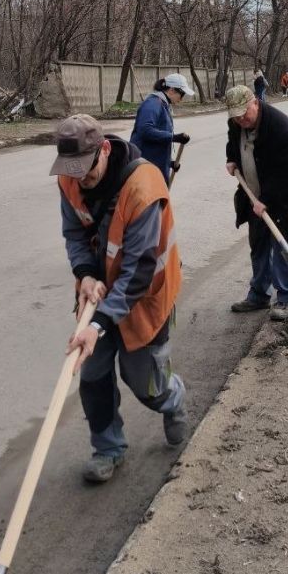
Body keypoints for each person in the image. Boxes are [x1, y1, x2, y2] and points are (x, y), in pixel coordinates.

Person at [53, 114, 187, 483]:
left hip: (143, 296)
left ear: (105, 149)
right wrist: (86, 275)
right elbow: (74, 234)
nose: (81, 179)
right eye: (73, 171)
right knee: (92, 376)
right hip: (99, 294)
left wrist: (97, 324)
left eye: (87, 169)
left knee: (146, 384)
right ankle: (108, 448)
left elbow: (140, 269)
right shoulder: (70, 178)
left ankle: (173, 400)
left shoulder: (144, 187)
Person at [224, 85, 288, 321]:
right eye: (236, 116)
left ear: (255, 103)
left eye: (244, 113)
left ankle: (286, 297)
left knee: (282, 249)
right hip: (255, 197)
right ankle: (259, 295)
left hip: (286, 201)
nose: (241, 119)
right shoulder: (236, 122)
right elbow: (233, 141)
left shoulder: (281, 130)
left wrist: (266, 200)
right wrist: (231, 158)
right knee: (258, 246)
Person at [129, 72, 193, 187]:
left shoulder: (163, 104)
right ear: (172, 90)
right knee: (147, 203)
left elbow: (156, 142)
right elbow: (145, 130)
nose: (181, 99)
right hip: (144, 169)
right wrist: (173, 137)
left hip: (154, 167)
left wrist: (169, 163)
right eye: (182, 94)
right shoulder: (152, 104)